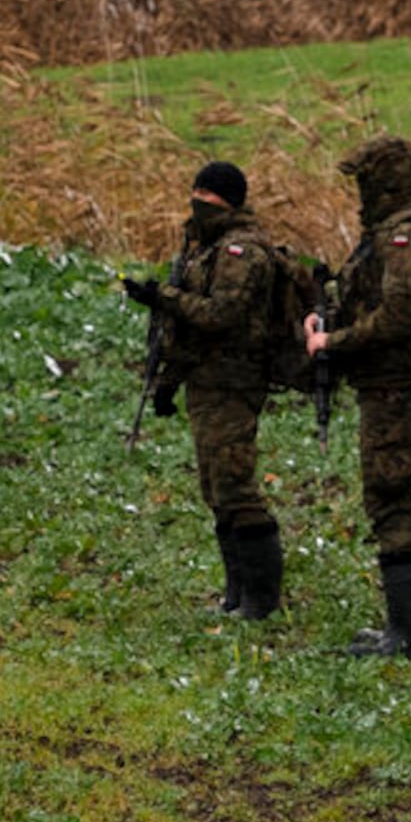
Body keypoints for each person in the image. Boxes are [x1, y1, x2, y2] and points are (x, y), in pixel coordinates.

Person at [303, 134, 411, 657]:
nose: (358, 193)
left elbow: (398, 318)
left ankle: (410, 633)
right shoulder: (389, 236)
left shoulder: (407, 239)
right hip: (389, 384)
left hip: (401, 386)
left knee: (390, 496)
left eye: (365, 180)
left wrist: (334, 341)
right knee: (392, 494)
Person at [122, 161, 285, 620]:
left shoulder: (241, 251)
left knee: (235, 485)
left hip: (234, 382)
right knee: (215, 488)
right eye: (194, 191)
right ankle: (237, 592)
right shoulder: (201, 249)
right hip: (205, 383)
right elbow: (184, 332)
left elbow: (221, 316)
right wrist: (166, 385)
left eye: (207, 195)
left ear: (228, 201)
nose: (197, 200)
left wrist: (163, 298)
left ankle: (261, 599)